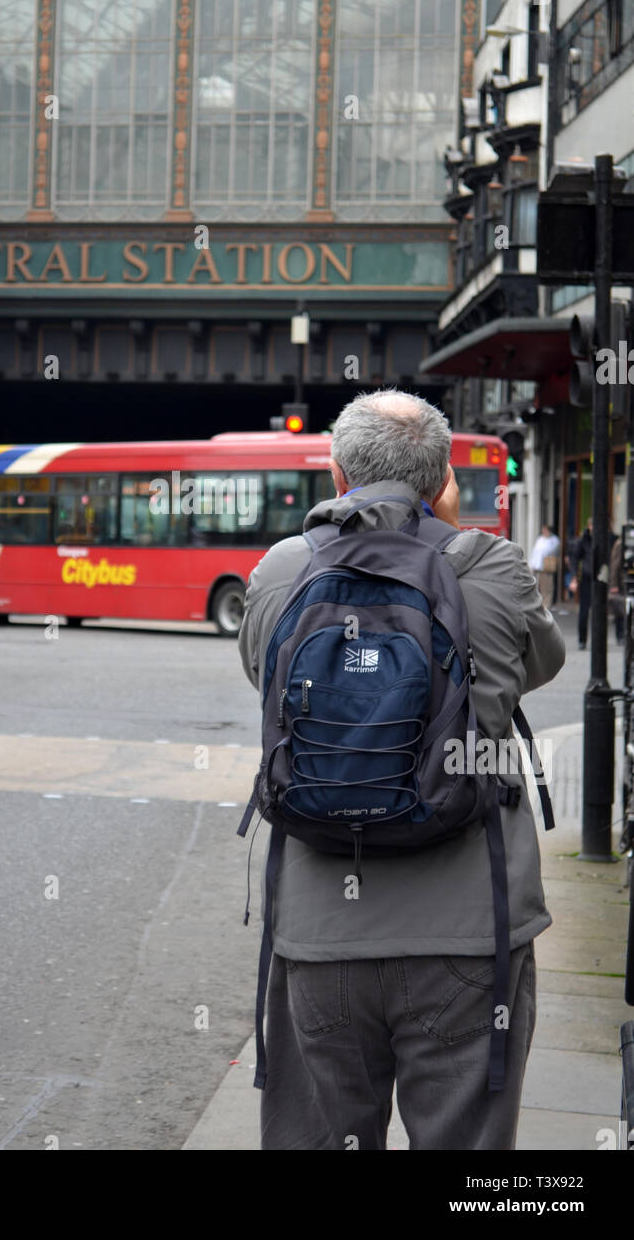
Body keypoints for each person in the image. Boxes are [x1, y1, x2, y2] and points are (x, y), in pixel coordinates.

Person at [238, 390, 565, 1151]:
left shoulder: (283, 570)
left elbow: (265, 677)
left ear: (334, 473)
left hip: (320, 937)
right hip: (466, 940)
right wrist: (444, 542)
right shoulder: (493, 567)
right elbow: (536, 666)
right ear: (444, 474)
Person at [567, 518, 593, 650]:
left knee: (600, 612)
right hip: (587, 579)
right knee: (584, 611)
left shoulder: (603, 539)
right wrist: (574, 578)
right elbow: (574, 559)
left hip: (600, 579)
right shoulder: (583, 540)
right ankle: (582, 640)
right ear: (589, 526)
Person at [529, 523, 560, 611]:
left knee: (548, 586)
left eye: (545, 530)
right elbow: (535, 552)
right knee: (539, 586)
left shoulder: (554, 540)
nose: (544, 532)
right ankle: (540, 604)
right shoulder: (540, 539)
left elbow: (549, 551)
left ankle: (547, 604)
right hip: (537, 566)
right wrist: (532, 564)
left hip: (547, 566)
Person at [609, 534, 625, 645]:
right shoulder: (621, 543)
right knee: (620, 609)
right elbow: (615, 565)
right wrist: (614, 584)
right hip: (622, 582)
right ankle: (620, 634)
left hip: (624, 581)